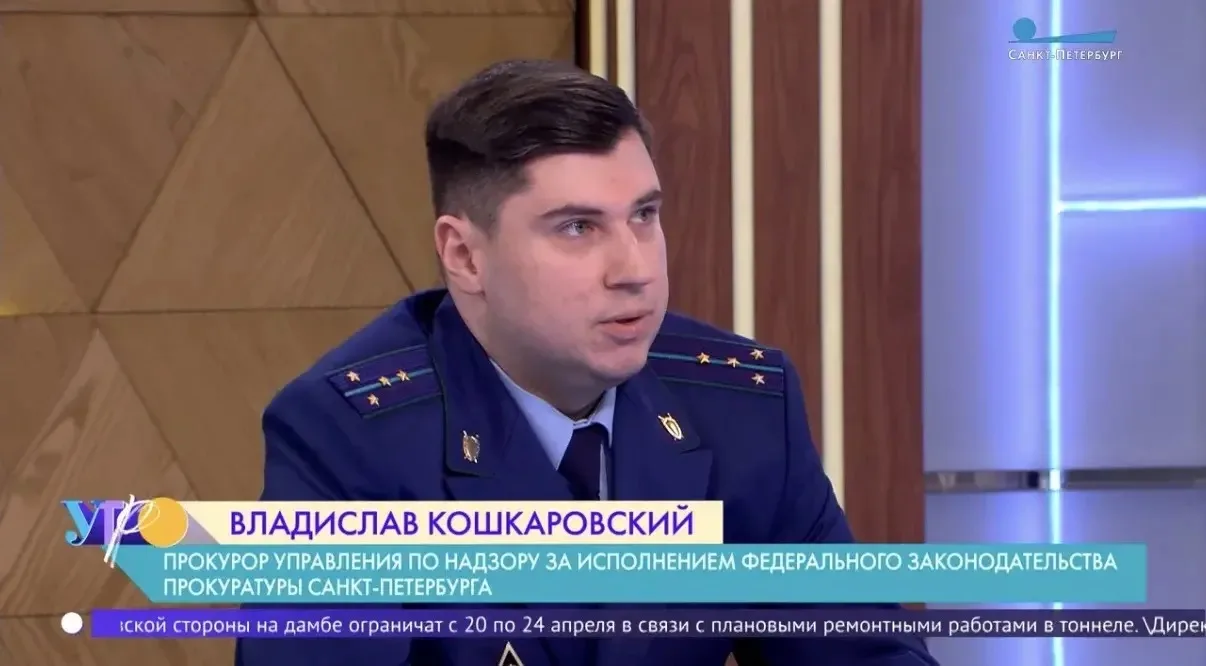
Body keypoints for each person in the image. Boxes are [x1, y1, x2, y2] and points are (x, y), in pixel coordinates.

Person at [235, 59, 938, 666]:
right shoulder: (351, 436)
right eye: (578, 228)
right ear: (464, 255)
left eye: (644, 215)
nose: (635, 269)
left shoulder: (742, 406)